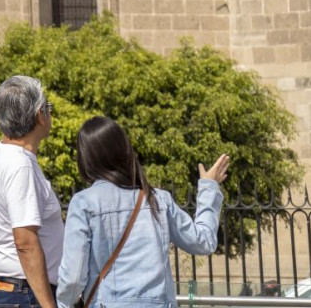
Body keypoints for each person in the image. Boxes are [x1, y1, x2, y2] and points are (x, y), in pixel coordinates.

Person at [57, 116, 230, 308]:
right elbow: (203, 241)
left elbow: (73, 277)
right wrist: (208, 187)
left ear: (86, 158)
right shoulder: (158, 199)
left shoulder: (84, 203)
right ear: (124, 151)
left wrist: (64, 304)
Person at [0, 75, 64, 308]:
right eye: (48, 107)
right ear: (40, 115)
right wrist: (49, 305)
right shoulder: (20, 165)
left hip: (10, 290)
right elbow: (25, 242)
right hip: (24, 293)